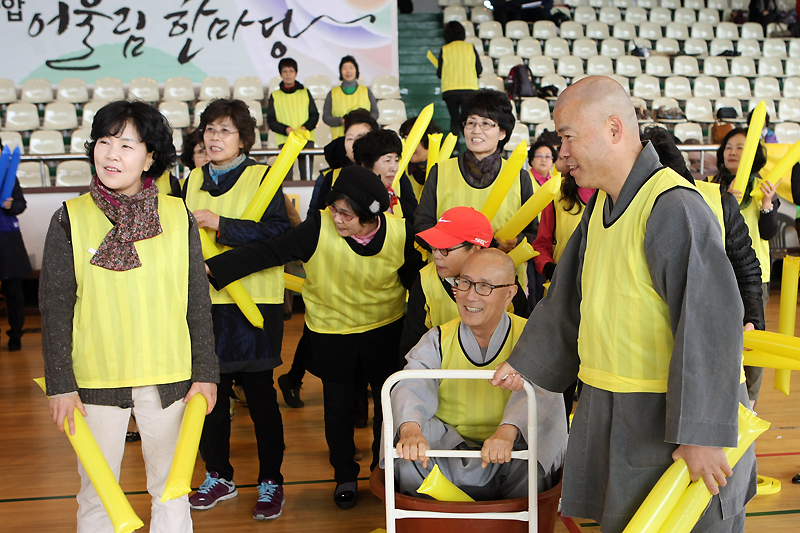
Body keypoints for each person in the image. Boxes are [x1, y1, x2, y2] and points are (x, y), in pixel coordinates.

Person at [491, 76, 756, 533]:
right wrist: (531, 362)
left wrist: (702, 434)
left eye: (568, 137)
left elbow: (711, 327)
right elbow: (570, 298)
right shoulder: (604, 206)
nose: (562, 154)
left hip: (668, 416)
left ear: (614, 129)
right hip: (613, 405)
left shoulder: (673, 206)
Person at [40, 100, 219, 533]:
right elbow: (55, 308)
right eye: (104, 142)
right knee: (98, 495)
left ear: (150, 157)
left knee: (172, 491)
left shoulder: (178, 216)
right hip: (95, 381)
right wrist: (60, 385)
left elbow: (197, 301)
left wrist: (207, 372)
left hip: (170, 377)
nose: (112, 155)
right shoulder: (70, 218)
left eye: (126, 145)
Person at [205, 166, 425, 510]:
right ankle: (344, 476)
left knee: (387, 408)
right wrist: (216, 267)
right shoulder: (317, 228)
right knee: (337, 408)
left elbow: (416, 278)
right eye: (334, 209)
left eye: (346, 214)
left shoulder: (400, 232)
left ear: (370, 216)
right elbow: (271, 251)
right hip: (332, 332)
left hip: (384, 330)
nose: (336, 219)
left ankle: (382, 471)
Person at [182, 98, 290, 520]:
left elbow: (281, 236)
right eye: (209, 129)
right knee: (208, 397)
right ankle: (219, 475)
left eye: (224, 130)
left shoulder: (264, 177)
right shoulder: (190, 179)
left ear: (244, 139)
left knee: (261, 396)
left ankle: (271, 481)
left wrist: (221, 225)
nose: (213, 137)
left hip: (255, 306)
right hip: (205, 306)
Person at [389, 249, 567, 499]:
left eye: (484, 286)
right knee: (407, 452)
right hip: (449, 443)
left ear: (510, 294)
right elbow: (412, 382)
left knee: (540, 441)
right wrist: (410, 430)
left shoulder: (532, 337)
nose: (470, 295)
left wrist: (507, 431)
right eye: (464, 282)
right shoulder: (438, 339)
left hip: (511, 445)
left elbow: (542, 390)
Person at [399, 206, 529, 358]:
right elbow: (411, 344)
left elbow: (524, 338)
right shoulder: (425, 280)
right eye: (433, 248)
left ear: (475, 249)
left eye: (445, 249)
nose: (437, 256)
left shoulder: (504, 282)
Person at [711, 127, 781, 405]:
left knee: (753, 337)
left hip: (754, 277)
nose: (732, 152)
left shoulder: (765, 185)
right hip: (716, 273)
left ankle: (749, 401)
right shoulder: (710, 185)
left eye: (741, 147)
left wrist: (767, 203)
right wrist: (724, 199)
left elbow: (769, 232)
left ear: (753, 154)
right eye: (729, 146)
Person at [306, 108, 379, 218]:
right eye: (349, 138)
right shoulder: (328, 178)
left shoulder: (391, 174)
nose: (354, 144)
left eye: (361, 137)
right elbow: (313, 219)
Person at [0, 139, 31, 352]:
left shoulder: (10, 178)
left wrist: (12, 205)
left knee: (14, 291)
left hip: (8, 241)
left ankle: (15, 334)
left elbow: (21, 204)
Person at [267, 57, 320, 180]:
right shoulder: (275, 95)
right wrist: (285, 129)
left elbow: (314, 115)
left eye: (291, 71)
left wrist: (304, 127)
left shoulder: (305, 92)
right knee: (286, 177)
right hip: (284, 140)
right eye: (285, 71)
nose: (288, 74)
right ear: (281, 74)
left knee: (306, 176)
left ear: (296, 73)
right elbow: (271, 120)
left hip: (305, 139)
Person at [352, 128, 418, 220]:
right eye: (387, 160)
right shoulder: (351, 200)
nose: (394, 168)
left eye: (396, 160)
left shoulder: (397, 201)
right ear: (366, 164)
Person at [437, 21, 482, 139]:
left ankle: (454, 148)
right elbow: (479, 69)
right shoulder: (470, 47)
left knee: (454, 120)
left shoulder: (445, 49)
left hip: (450, 90)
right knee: (470, 121)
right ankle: (471, 146)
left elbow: (439, 73)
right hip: (469, 90)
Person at [322, 55, 379, 139]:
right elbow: (326, 117)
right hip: (339, 139)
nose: (348, 71)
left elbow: (375, 113)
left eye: (351, 67)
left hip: (364, 138)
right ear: (340, 71)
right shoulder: (333, 93)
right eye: (344, 68)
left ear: (356, 70)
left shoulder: (366, 91)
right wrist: (341, 121)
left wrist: (362, 121)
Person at [398, 116, 443, 201]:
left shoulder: (447, 168)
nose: (408, 145)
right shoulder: (400, 170)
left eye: (413, 139)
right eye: (405, 139)